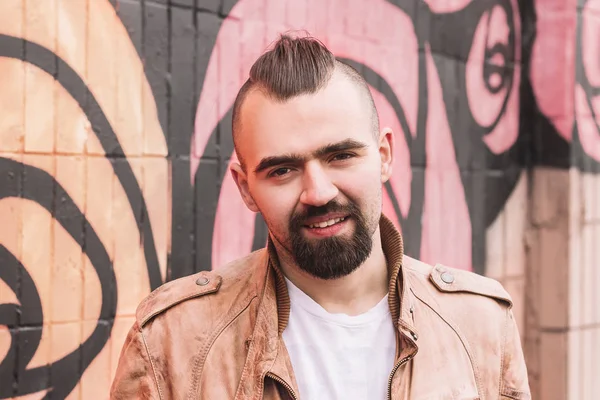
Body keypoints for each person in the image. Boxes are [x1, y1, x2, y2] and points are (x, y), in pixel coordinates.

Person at [110, 34, 530, 400]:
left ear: (383, 157)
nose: (318, 192)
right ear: (245, 188)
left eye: (341, 156)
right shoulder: (171, 342)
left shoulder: (481, 325)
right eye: (282, 170)